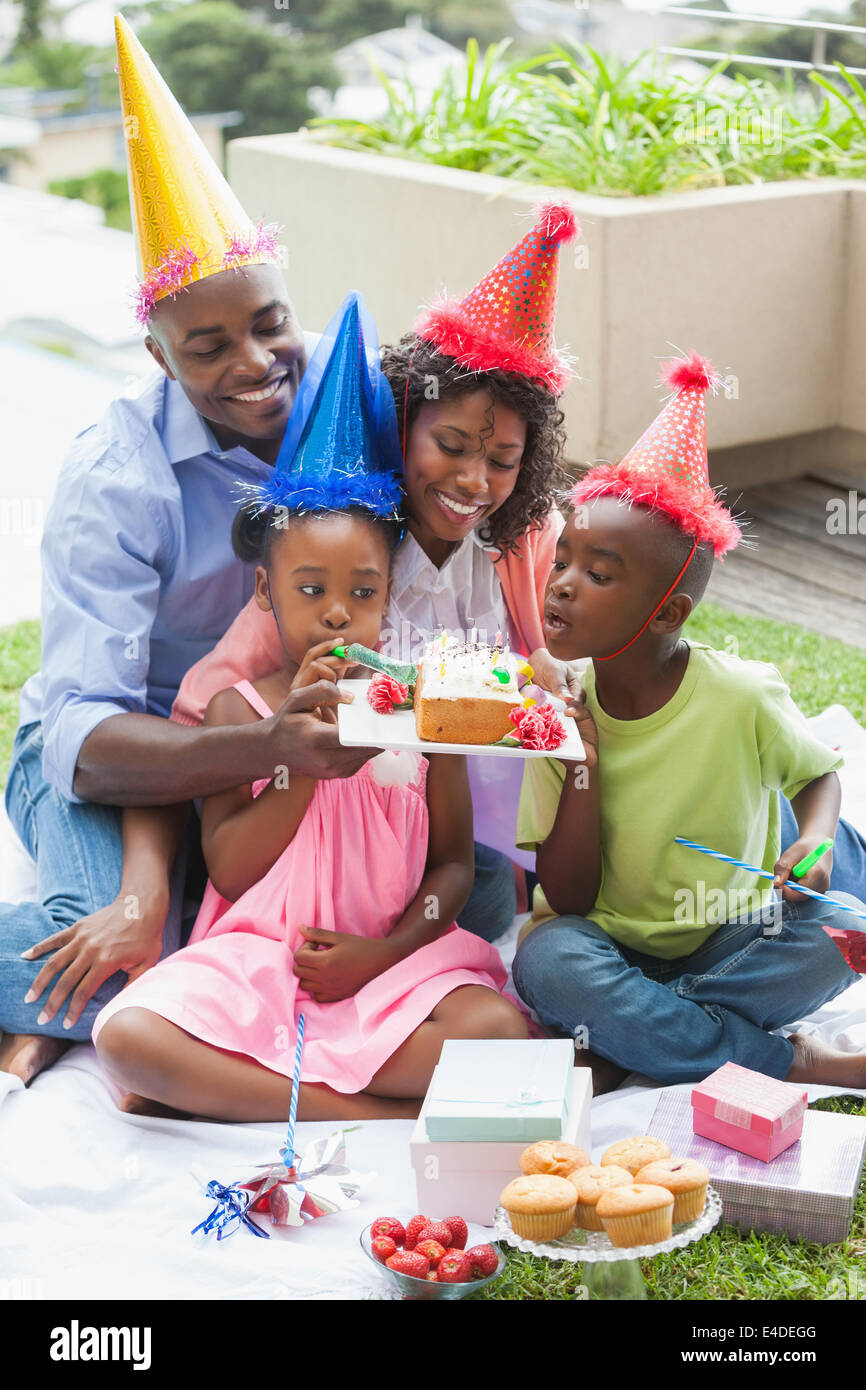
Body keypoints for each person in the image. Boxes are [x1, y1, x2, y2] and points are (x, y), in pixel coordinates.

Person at [0, 17, 376, 1084]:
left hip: (267, 751)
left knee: (472, 902)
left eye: (269, 324)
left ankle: (46, 1017)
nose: (257, 364)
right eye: (208, 347)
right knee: (137, 954)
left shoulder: (337, 410)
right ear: (156, 351)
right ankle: (89, 966)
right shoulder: (113, 479)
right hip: (124, 766)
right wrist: (263, 759)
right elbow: (86, 733)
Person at [92, 294, 527, 1121]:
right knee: (129, 1038)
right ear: (266, 591)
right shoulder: (237, 711)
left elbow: (453, 870)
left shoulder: (428, 707)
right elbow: (232, 870)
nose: (336, 611)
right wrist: (287, 755)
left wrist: (384, 954)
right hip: (259, 960)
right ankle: (370, 1116)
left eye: (363, 592)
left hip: (388, 968)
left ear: (387, 595)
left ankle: (259, 1093)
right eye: (310, 590)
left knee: (500, 1031)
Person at [170, 203, 589, 941]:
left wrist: (556, 664)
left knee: (493, 893)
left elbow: (585, 652)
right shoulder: (355, 554)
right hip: (382, 828)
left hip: (485, 826)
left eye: (501, 461)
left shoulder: (522, 542)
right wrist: (261, 744)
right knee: (473, 898)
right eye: (451, 446)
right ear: (404, 425)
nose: (472, 480)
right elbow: (221, 690)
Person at [511, 353, 866, 1093]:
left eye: (599, 574)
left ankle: (643, 1036)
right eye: (563, 560)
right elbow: (568, 900)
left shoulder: (741, 694)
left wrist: (811, 839)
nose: (564, 586)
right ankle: (786, 1060)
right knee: (548, 960)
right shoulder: (556, 713)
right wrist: (583, 759)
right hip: (607, 946)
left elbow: (819, 773)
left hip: (732, 940)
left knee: (848, 932)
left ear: (668, 613)